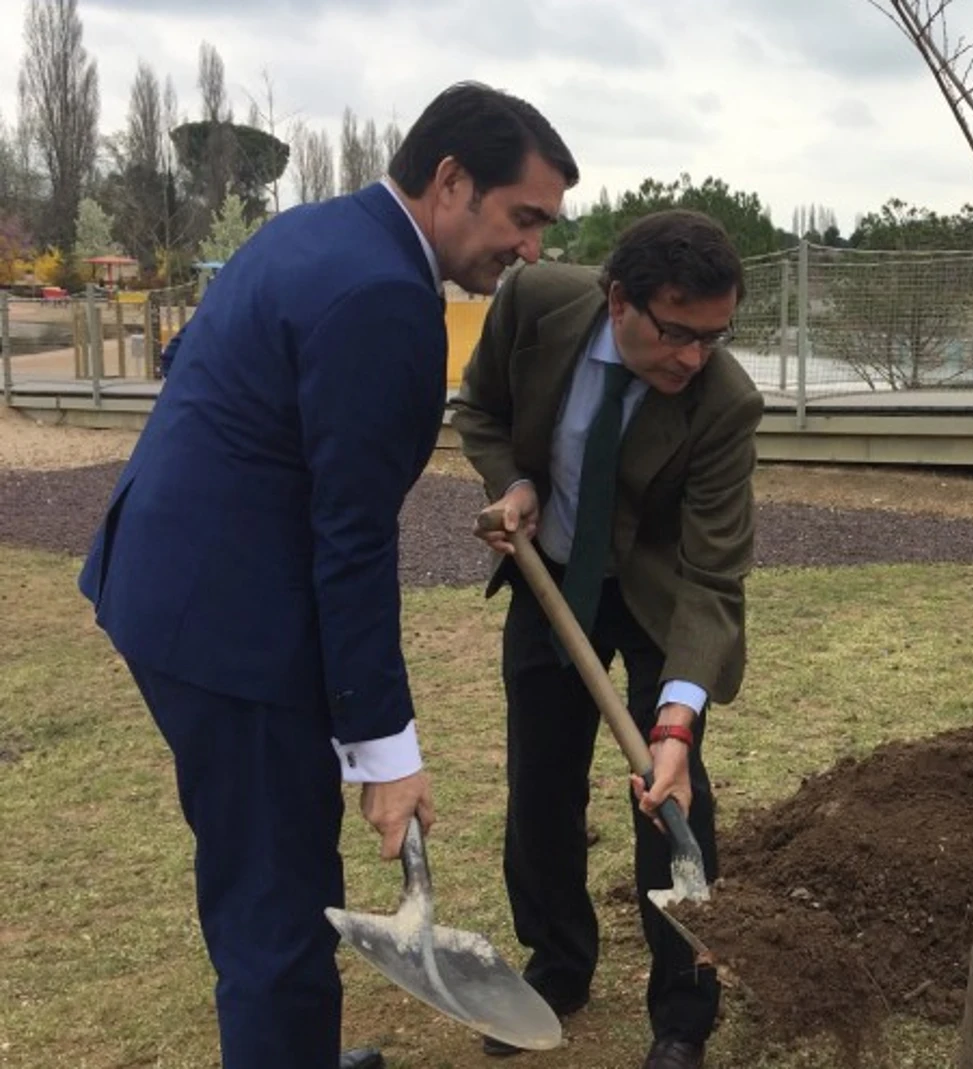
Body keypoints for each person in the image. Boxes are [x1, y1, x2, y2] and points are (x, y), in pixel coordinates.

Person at [76, 82, 576, 1069]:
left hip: (169, 580)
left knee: (268, 854)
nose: (532, 251)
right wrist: (387, 752)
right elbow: (352, 540)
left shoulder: (314, 233)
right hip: (228, 623)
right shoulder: (385, 299)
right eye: (524, 218)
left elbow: (197, 368)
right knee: (273, 884)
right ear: (449, 179)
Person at [450, 209, 761, 1069]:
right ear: (618, 299)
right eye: (677, 333)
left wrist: (675, 723)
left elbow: (713, 576)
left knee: (672, 793)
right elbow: (479, 408)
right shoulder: (536, 302)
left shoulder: (725, 401)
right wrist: (513, 482)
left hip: (660, 594)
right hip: (552, 578)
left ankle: (683, 1013)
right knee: (541, 780)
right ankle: (556, 966)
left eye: (715, 335)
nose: (695, 357)